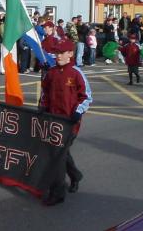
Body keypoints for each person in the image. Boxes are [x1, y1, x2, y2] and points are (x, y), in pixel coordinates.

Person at [39, 38, 92, 206]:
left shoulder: (76, 73)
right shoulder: (51, 73)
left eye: (61, 53)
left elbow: (87, 96)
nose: (58, 56)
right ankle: (75, 176)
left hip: (70, 123)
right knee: (61, 154)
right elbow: (44, 94)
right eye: (56, 53)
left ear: (70, 54)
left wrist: (78, 111)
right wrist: (42, 107)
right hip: (53, 122)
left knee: (57, 156)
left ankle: (57, 193)